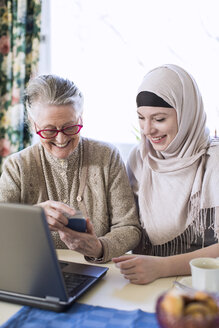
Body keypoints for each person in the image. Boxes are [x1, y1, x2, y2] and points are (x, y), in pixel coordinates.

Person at [0, 74, 141, 263]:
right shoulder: (17, 166)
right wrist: (32, 219)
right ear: (34, 126)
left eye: (70, 127)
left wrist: (100, 248)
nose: (61, 139)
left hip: (100, 271)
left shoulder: (107, 156)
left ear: (80, 118)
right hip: (35, 269)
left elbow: (129, 228)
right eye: (49, 130)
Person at [113, 64, 219, 284]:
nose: (147, 130)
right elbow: (126, 225)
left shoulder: (214, 161)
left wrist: (163, 267)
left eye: (159, 119)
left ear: (186, 113)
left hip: (202, 289)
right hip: (144, 286)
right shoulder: (140, 158)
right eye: (141, 117)